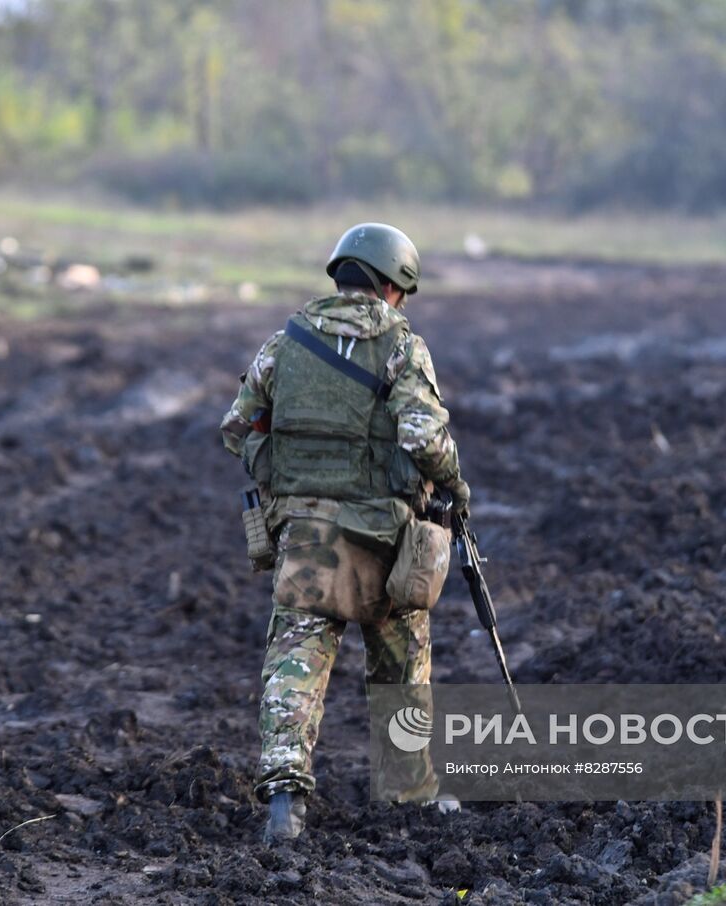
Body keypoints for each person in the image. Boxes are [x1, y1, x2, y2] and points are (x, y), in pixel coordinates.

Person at [220, 223, 470, 842]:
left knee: (296, 660)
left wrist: (288, 488)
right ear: (394, 285)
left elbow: (238, 427)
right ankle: (409, 795)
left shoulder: (287, 341)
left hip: (307, 539)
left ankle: (284, 801)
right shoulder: (402, 347)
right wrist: (456, 487)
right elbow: (423, 438)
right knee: (402, 664)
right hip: (385, 535)